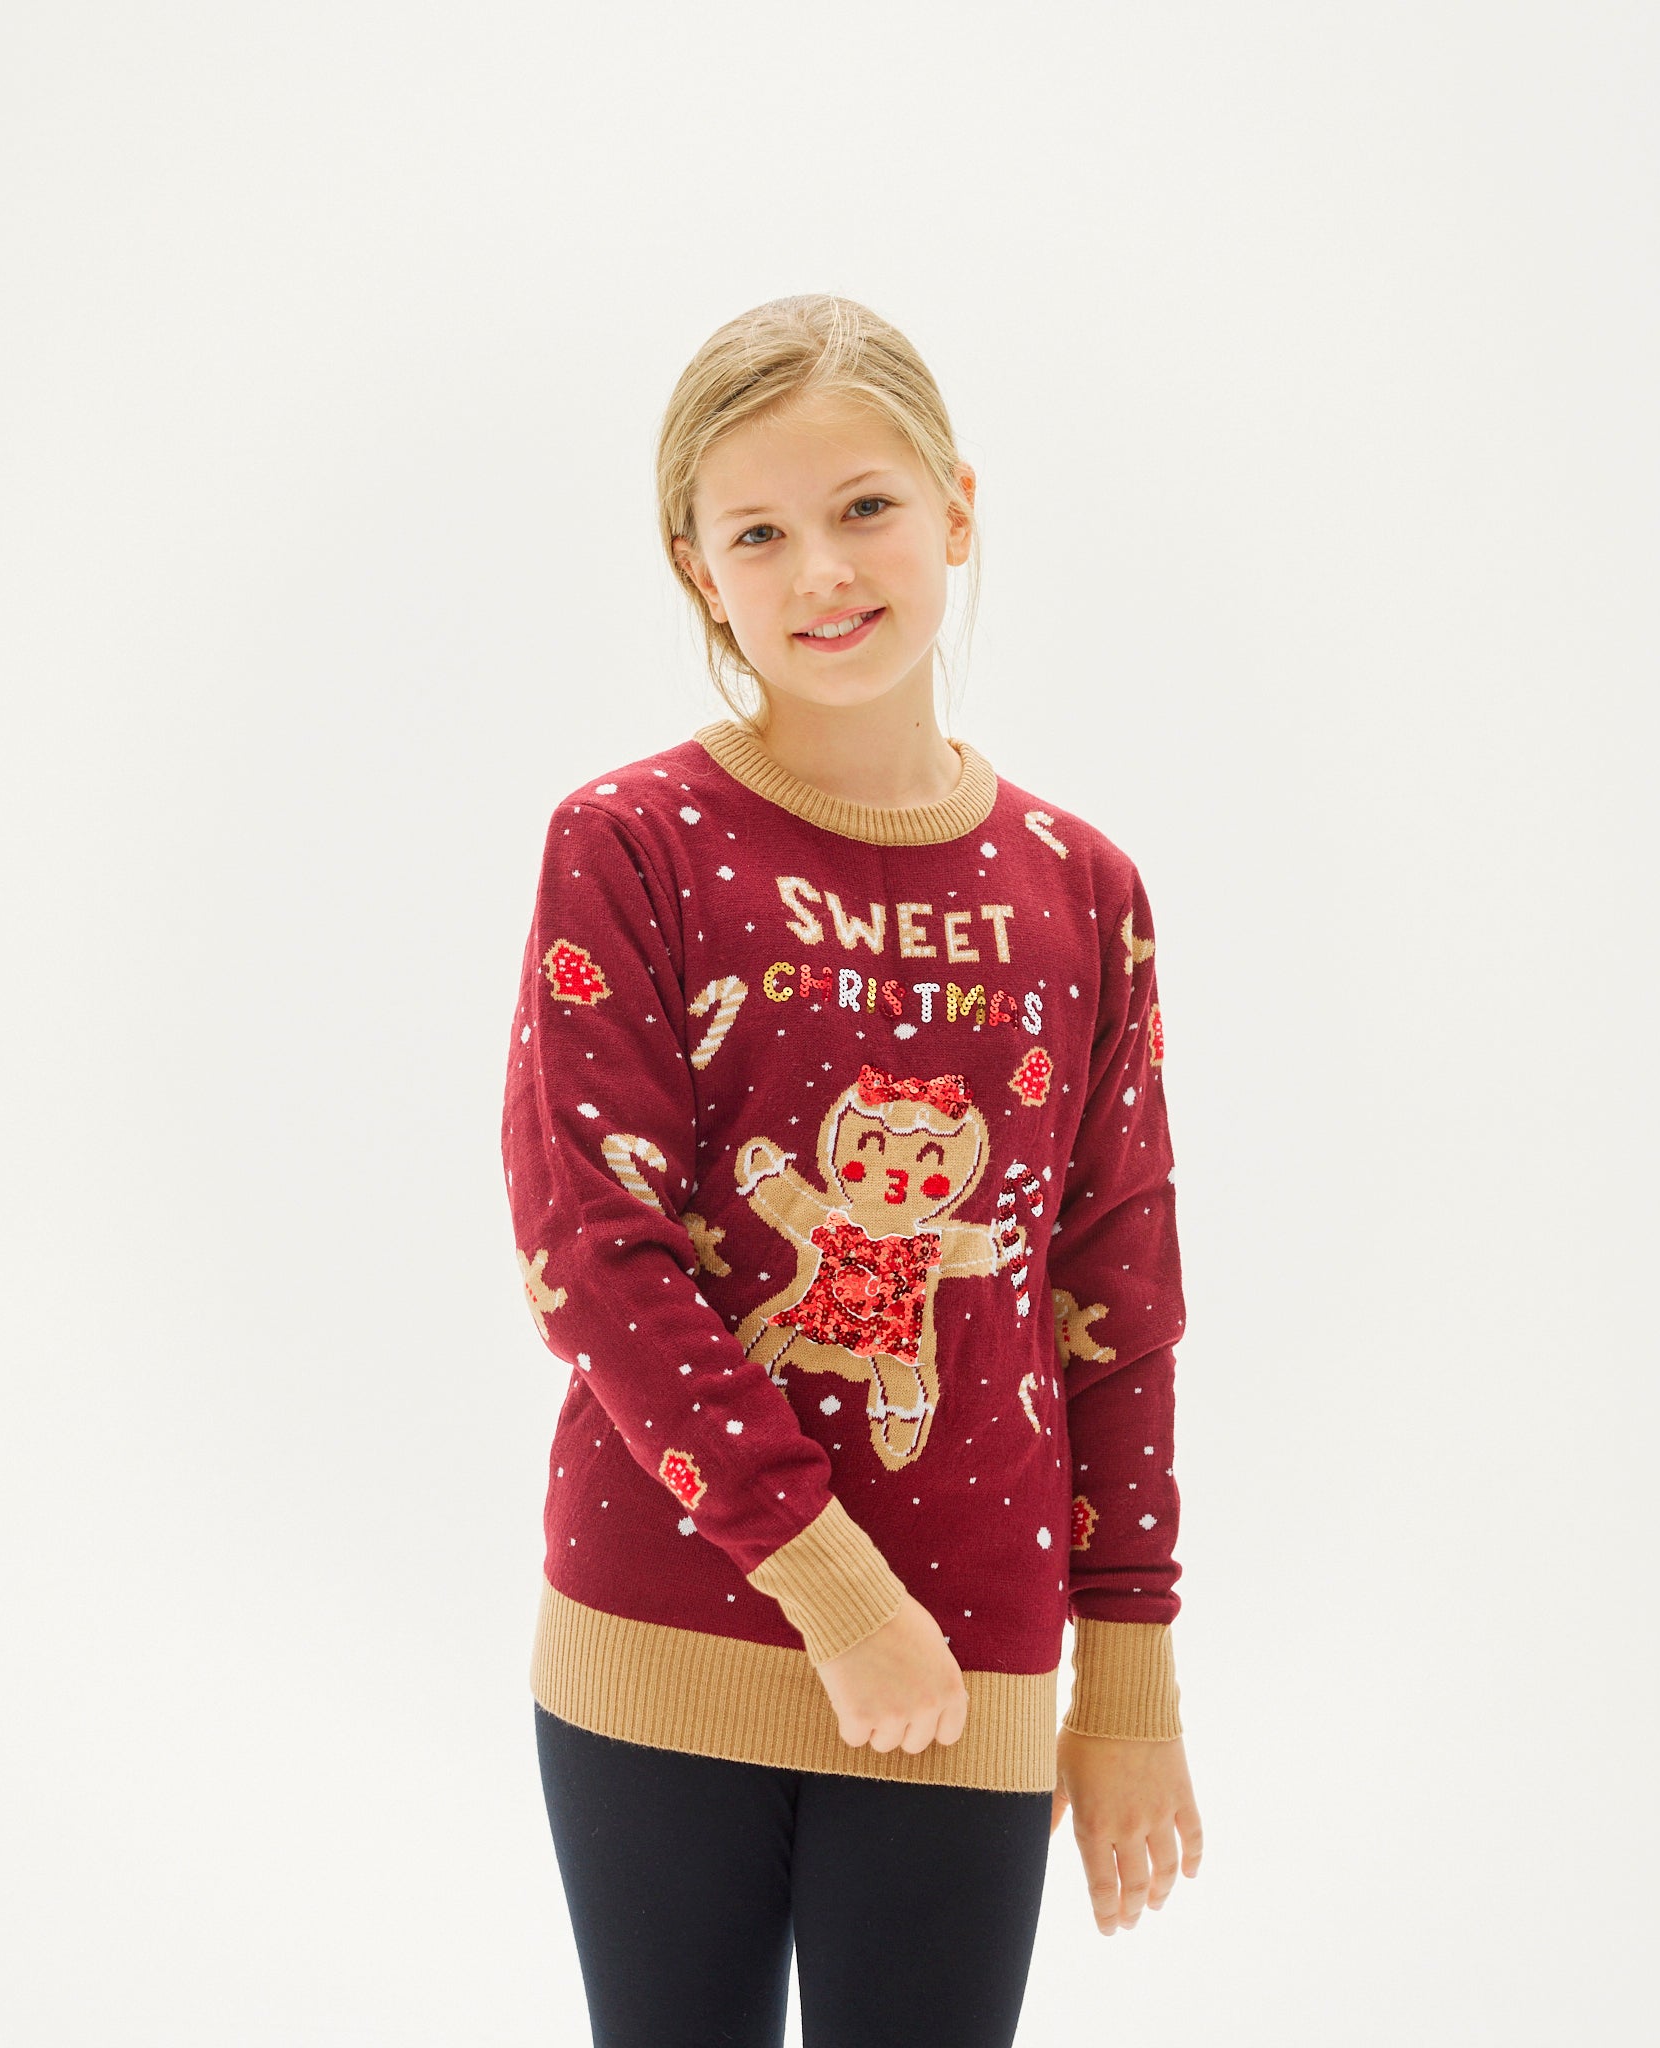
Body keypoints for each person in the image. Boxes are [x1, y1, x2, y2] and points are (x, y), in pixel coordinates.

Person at [501, 293, 1204, 2048]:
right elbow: (596, 1251)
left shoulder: (1082, 892)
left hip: (971, 1660)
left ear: (956, 510)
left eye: (866, 507)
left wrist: (1127, 1684)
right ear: (698, 569)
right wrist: (835, 1591)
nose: (821, 569)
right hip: (667, 1636)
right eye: (759, 533)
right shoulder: (632, 846)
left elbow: (1114, 1299)